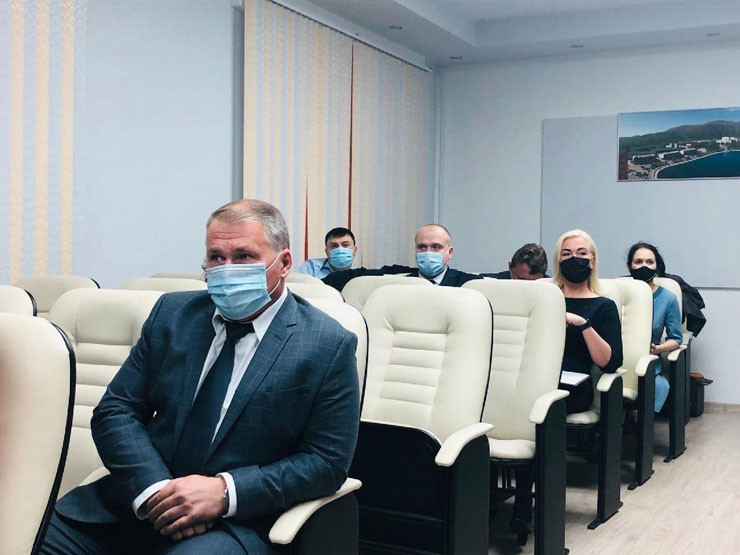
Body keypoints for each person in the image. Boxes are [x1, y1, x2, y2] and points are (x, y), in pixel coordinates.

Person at [43, 199, 360, 554]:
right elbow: (116, 410)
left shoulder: (327, 343)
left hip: (234, 523)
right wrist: (155, 491)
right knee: (22, 538)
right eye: (216, 257)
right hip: (139, 501)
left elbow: (325, 462)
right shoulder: (173, 315)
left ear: (284, 263)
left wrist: (224, 492)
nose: (226, 269)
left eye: (243, 256)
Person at [555, 229, 622, 414]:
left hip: (573, 386)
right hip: (537, 378)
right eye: (566, 254)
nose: (574, 259)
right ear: (558, 261)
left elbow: (611, 363)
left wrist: (584, 325)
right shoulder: (545, 299)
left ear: (592, 261)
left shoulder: (604, 306)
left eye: (581, 253)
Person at [322, 224, 480, 290]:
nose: (428, 252)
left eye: (436, 247)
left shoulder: (466, 284)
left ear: (450, 252)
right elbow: (357, 276)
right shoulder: (399, 277)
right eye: (422, 247)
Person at [627, 241, 682, 412]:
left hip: (649, 361)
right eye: (638, 261)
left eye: (649, 262)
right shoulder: (619, 292)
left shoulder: (668, 299)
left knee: (659, 386)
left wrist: (658, 349)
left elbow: (676, 339)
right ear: (629, 266)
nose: (644, 266)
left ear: (657, 266)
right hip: (618, 362)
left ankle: (642, 421)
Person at [483, 243, 548, 280]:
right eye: (521, 280)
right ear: (510, 267)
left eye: (534, 282)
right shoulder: (488, 283)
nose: (527, 287)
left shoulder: (552, 290)